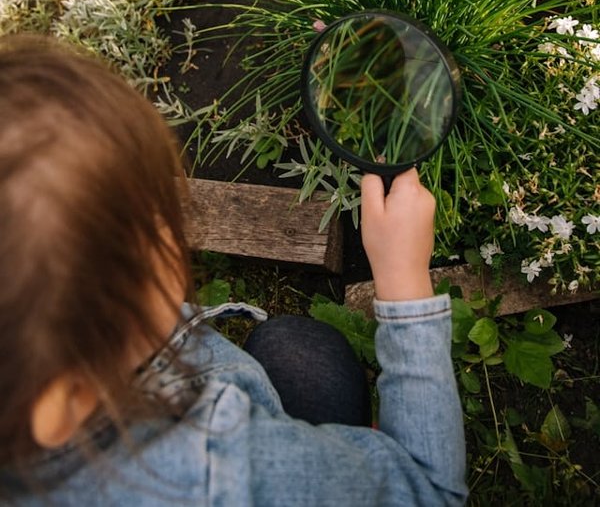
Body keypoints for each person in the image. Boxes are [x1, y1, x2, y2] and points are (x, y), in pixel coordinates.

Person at [0, 34, 467, 506]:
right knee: (306, 356)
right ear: (64, 394)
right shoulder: (211, 467)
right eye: (159, 223)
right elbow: (432, 493)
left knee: (292, 347)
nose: (177, 228)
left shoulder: (44, 369)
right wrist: (404, 279)